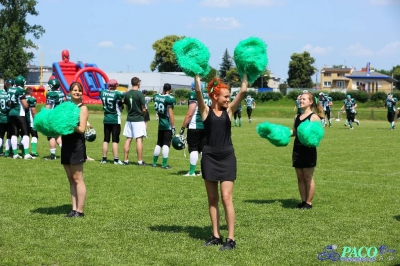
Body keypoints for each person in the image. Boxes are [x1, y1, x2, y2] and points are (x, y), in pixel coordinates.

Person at [195, 74, 248, 251]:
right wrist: (196, 75)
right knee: (212, 199)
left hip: (227, 157)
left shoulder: (230, 111)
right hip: (209, 156)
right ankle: (216, 236)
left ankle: (230, 239)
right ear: (215, 96)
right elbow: (198, 93)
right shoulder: (205, 111)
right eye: (226, 96)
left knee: (226, 198)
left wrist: (246, 72)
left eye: (229, 96)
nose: (228, 99)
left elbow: (243, 91)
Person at [291, 92, 324, 209]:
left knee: (307, 177)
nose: (301, 101)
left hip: (308, 150)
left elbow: (318, 135)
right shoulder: (297, 116)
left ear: (310, 102)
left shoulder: (314, 117)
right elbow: (294, 132)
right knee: (299, 176)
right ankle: (303, 201)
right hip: (297, 149)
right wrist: (280, 133)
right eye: (300, 99)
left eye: (304, 99)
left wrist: (309, 138)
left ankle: (308, 203)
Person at [62, 82, 88, 218]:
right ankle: (73, 209)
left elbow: (82, 129)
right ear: (70, 92)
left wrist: (69, 123)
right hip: (66, 144)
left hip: (77, 146)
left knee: (78, 179)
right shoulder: (67, 107)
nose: (77, 92)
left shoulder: (83, 108)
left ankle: (80, 210)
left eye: (79, 90)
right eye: (74, 90)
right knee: (70, 179)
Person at [179, 82, 211, 176]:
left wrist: (183, 127)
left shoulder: (194, 94)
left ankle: (192, 172)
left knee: (193, 148)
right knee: (203, 149)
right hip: (206, 125)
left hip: (195, 125)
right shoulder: (208, 95)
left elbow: (190, 113)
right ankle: (204, 171)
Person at [122, 77, 147, 166]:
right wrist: (143, 116)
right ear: (138, 83)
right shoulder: (140, 94)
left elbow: (126, 107)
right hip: (138, 119)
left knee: (128, 139)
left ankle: (125, 160)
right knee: (139, 139)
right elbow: (143, 109)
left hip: (129, 119)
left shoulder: (127, 94)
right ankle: (140, 161)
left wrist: (129, 113)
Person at [7, 75, 33, 159]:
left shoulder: (10, 89)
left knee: (14, 133)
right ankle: (26, 154)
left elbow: (9, 103)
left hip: (12, 113)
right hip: (20, 113)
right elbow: (25, 105)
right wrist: (28, 106)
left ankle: (15, 154)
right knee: (25, 133)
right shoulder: (20, 90)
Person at [100, 79, 124, 165]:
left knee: (106, 139)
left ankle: (104, 159)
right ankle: (116, 160)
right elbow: (121, 107)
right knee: (115, 140)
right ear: (115, 85)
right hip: (115, 119)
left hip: (106, 118)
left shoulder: (102, 92)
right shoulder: (117, 93)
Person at [151, 83, 176, 169]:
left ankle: (154, 162)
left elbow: (157, 97)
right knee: (166, 144)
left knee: (159, 143)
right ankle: (164, 164)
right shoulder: (169, 99)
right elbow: (171, 115)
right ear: (170, 89)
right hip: (167, 124)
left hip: (160, 124)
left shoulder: (157, 96)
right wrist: (173, 127)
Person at [45, 79, 65, 160]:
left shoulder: (51, 94)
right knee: (57, 136)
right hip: (59, 116)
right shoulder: (61, 93)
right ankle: (66, 151)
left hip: (52, 116)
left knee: (51, 136)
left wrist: (45, 115)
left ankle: (53, 156)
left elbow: (48, 106)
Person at [25, 87, 39, 156]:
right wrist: (35, 119)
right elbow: (33, 111)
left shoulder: (23, 99)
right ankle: (33, 151)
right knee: (34, 135)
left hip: (23, 120)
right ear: (31, 92)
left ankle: (24, 151)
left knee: (25, 135)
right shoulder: (31, 99)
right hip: (30, 120)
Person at [0, 79, 12, 156]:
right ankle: (7, 152)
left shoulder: (0, 93)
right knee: (9, 136)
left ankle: (0, 151)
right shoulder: (11, 93)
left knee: (0, 135)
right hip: (9, 118)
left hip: (1, 117)